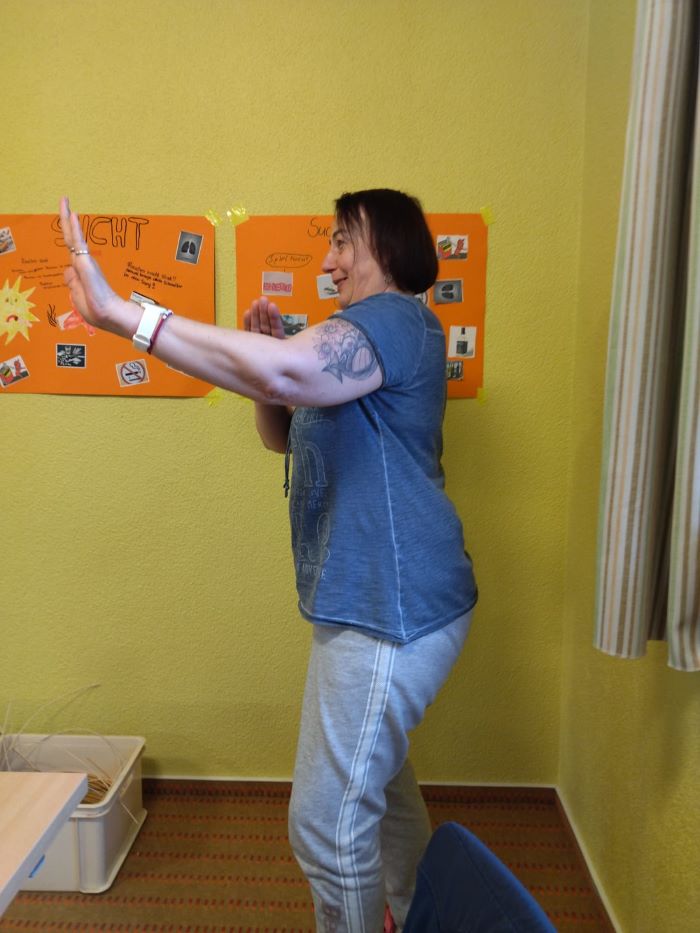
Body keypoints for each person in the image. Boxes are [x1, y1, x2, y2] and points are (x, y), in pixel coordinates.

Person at [59, 189, 477, 933]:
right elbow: (282, 432)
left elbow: (287, 372)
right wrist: (265, 381)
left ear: (389, 246)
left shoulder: (394, 318)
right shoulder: (358, 336)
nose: (329, 259)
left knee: (323, 823)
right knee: (378, 789)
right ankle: (418, 913)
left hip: (392, 605)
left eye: (343, 240)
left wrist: (126, 315)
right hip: (370, 599)